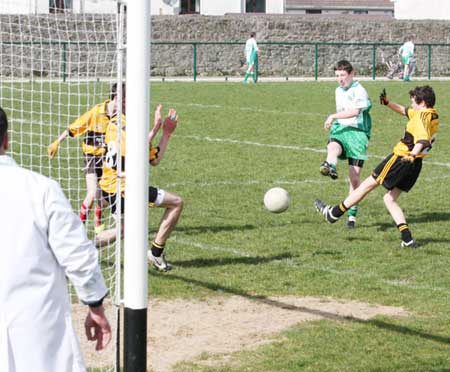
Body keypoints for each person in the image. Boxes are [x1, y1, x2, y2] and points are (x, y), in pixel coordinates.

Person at [0, 106, 111, 371]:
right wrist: (95, 304)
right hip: (37, 336)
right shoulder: (40, 190)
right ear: (7, 139)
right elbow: (77, 254)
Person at [315, 85, 439, 248]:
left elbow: (422, 140)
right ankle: (407, 239)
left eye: (413, 101)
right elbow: (405, 111)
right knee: (389, 199)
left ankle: (334, 213)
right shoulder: (431, 114)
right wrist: (388, 103)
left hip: (401, 159)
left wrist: (411, 154)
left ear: (421, 102)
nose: (412, 104)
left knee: (366, 185)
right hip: (415, 165)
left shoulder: (421, 116)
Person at [95, 97, 184, 273]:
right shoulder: (120, 124)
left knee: (176, 202)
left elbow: (154, 159)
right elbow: (136, 150)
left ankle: (156, 253)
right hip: (120, 188)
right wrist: (157, 129)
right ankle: (81, 248)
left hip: (124, 186)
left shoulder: (125, 124)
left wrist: (165, 133)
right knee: (123, 230)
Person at [47, 84, 125, 233]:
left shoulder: (121, 118)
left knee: (102, 197)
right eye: (126, 98)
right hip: (91, 157)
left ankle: (98, 220)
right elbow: (73, 128)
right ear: (117, 96)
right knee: (91, 193)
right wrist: (57, 142)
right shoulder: (96, 113)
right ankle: (78, 228)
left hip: (107, 160)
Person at [319, 60, 372, 228]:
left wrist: (332, 116)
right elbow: (343, 113)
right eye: (337, 76)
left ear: (351, 73)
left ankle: (351, 216)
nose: (340, 79)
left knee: (355, 179)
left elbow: (355, 112)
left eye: (342, 75)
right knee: (332, 146)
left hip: (357, 134)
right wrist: (334, 120)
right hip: (341, 130)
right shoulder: (338, 90)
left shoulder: (359, 90)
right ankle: (330, 165)